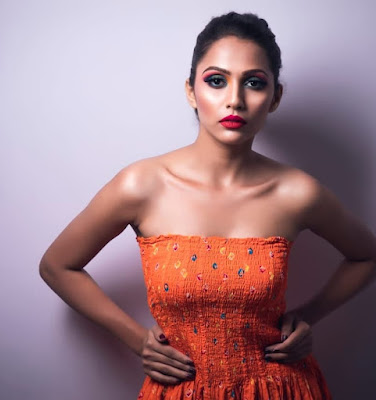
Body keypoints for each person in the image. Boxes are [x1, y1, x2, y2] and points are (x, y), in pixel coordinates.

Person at [39, 11, 376, 399]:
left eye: (254, 83)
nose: (234, 100)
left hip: (280, 388)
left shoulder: (297, 193)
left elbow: (367, 256)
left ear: (275, 97)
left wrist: (308, 316)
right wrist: (136, 339)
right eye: (216, 81)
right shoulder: (142, 185)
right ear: (190, 91)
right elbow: (57, 266)